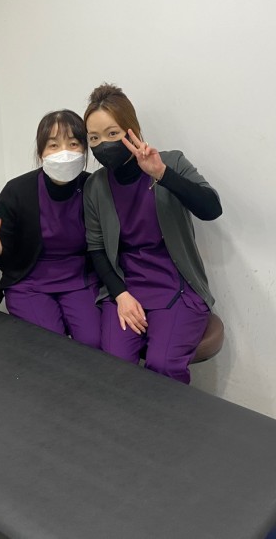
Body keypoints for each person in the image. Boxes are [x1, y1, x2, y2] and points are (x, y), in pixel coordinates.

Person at [83, 84, 222, 383]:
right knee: (114, 365)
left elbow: (211, 208)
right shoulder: (95, 186)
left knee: (163, 365)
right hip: (127, 288)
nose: (103, 144)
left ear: (131, 130)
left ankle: (166, 417)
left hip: (177, 287)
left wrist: (162, 174)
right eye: (94, 138)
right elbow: (96, 248)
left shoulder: (170, 162)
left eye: (112, 133)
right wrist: (120, 294)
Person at [0, 110, 101, 348]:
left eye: (73, 144)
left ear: (85, 149)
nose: (64, 152)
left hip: (80, 280)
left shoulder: (93, 186)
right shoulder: (17, 191)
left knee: (93, 343)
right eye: (53, 145)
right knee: (48, 346)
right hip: (29, 283)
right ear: (40, 152)